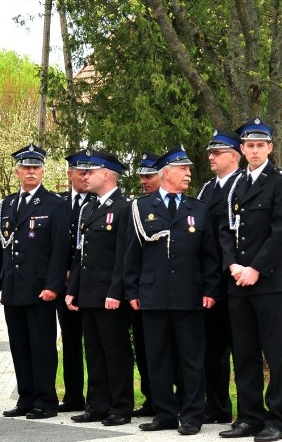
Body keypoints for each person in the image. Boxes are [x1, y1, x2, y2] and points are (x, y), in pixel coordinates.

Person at [124, 146, 220, 436]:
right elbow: (132, 254)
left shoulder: (198, 209)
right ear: (167, 173)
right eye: (183, 169)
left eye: (189, 169)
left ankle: (192, 415)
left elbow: (210, 256)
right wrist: (132, 290)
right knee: (158, 357)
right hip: (152, 295)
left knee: (191, 358)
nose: (189, 174)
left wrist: (211, 288)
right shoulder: (141, 208)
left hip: (189, 294)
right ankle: (165, 413)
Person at [218, 118, 282, 442]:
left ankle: (275, 421)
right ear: (241, 149)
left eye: (259, 145)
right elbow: (225, 229)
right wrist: (233, 265)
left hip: (269, 282)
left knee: (275, 354)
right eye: (248, 145)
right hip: (238, 282)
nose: (253, 149)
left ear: (270, 147)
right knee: (244, 352)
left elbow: (281, 231)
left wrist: (255, 269)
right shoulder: (235, 184)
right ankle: (248, 417)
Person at [0, 144, 70, 419]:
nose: (31, 172)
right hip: (12, 287)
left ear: (43, 171)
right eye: (26, 167)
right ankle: (26, 397)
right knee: (19, 345)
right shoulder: (7, 204)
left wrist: (53, 285)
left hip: (40, 289)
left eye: (36, 168)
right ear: (17, 171)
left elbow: (60, 250)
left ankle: (45, 400)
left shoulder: (55, 204)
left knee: (42, 346)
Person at [65, 150, 133, 426]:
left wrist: (116, 292)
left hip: (110, 294)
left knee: (115, 351)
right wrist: (73, 288)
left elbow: (124, 256)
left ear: (106, 175)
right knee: (92, 350)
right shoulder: (89, 208)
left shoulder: (124, 207)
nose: (85, 176)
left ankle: (121, 406)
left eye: (90, 172)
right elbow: (82, 253)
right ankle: (97, 404)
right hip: (90, 292)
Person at [196, 129, 243, 425]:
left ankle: (249, 410)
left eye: (218, 152)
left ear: (234, 156)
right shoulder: (206, 189)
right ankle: (217, 406)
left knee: (241, 349)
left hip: (235, 278)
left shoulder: (242, 185)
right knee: (212, 349)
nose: (211, 157)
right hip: (210, 279)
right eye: (210, 152)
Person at [56, 151, 96, 412]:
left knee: (93, 342)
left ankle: (96, 396)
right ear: (69, 175)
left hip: (90, 282)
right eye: (80, 172)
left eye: (88, 172)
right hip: (63, 283)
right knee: (70, 341)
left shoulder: (97, 201)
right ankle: (73, 396)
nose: (85, 176)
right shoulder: (57, 203)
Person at [130, 152, 160, 417]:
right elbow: (131, 252)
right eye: (141, 176)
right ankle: (152, 398)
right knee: (144, 348)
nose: (143, 181)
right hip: (142, 290)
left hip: (166, 291)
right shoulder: (138, 208)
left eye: (149, 175)